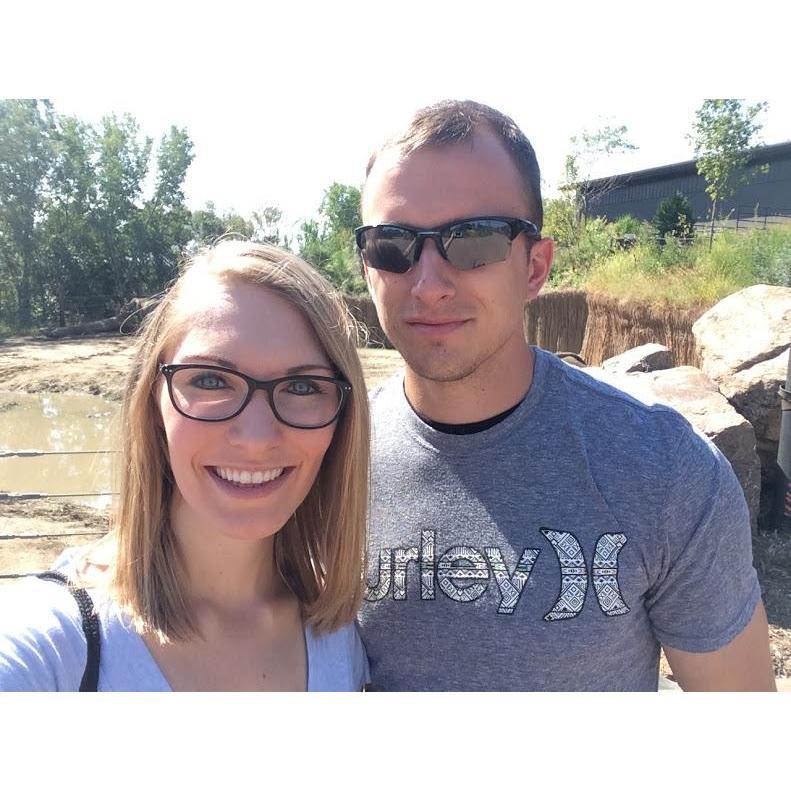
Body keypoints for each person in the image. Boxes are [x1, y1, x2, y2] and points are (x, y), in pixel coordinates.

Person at [355, 99, 776, 691]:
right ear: (366, 263)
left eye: (473, 240)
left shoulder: (662, 469)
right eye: (393, 243)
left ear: (535, 267)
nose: (427, 283)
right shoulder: (323, 459)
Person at [0, 240, 370, 691]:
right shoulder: (49, 646)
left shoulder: (337, 633)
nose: (255, 440)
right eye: (211, 380)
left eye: (302, 386)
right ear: (152, 402)